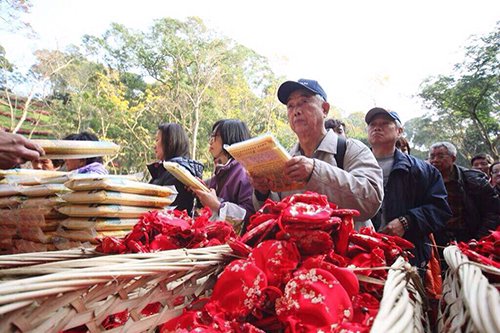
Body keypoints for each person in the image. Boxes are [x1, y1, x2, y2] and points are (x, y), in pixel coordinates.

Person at [250, 78, 383, 228]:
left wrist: (315, 171)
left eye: (303, 102)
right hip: (295, 249)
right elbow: (272, 213)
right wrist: (262, 192)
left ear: (324, 109)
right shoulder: (285, 158)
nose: (296, 111)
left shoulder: (351, 149)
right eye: (290, 106)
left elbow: (371, 201)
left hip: (346, 249)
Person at [366, 107, 451, 271]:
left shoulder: (423, 170)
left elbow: (440, 210)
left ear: (398, 131)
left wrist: (406, 222)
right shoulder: (353, 165)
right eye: (372, 124)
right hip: (362, 253)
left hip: (407, 254)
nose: (377, 127)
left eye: (384, 123)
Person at [429, 142, 500, 245]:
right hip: (437, 240)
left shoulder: (475, 181)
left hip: (470, 239)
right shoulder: (426, 181)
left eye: (440, 156)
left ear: (453, 158)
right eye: (432, 156)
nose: (435, 160)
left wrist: (480, 238)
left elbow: (492, 213)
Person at [190, 119, 254, 232]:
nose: (210, 141)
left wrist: (217, 206)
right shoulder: (220, 171)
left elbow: (250, 216)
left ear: (229, 138)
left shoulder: (245, 171)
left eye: (215, 136)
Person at [148, 122, 203, 214]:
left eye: (157, 140)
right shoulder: (166, 170)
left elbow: (167, 213)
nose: (154, 146)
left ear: (169, 142)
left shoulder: (176, 173)